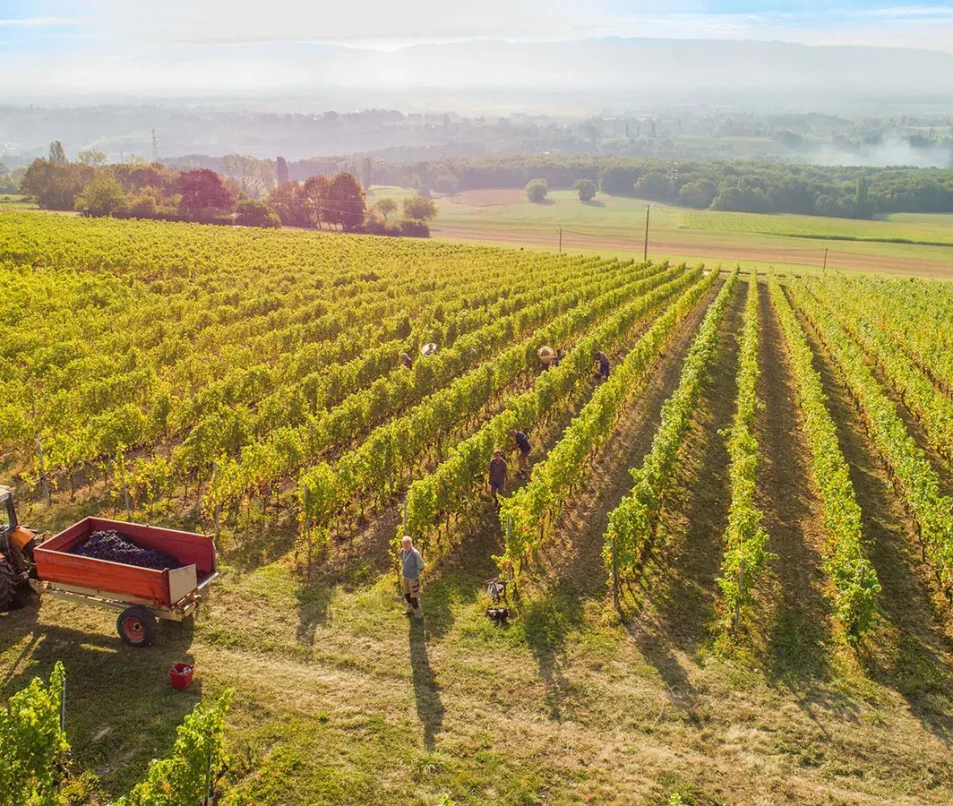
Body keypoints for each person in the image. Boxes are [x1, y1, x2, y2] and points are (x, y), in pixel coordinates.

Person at [400, 535, 425, 619]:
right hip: (405, 577)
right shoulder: (402, 551)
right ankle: (410, 609)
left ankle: (419, 615)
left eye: (408, 543)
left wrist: (416, 575)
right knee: (407, 595)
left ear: (411, 543)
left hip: (413, 578)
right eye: (404, 543)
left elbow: (422, 566)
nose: (406, 545)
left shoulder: (415, 554)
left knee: (414, 597)